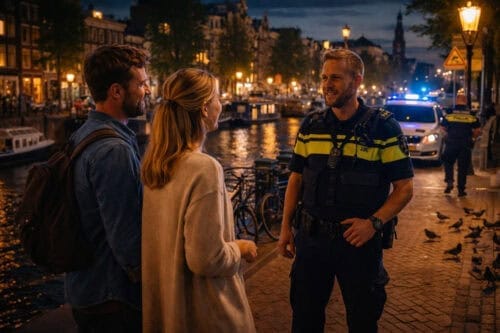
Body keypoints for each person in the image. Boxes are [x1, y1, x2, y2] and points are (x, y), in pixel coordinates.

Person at [278, 48, 414, 332]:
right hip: (311, 241)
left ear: (357, 81)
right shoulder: (311, 125)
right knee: (304, 319)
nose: (327, 84)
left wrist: (373, 224)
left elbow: (404, 188)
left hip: (358, 245)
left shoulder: (384, 128)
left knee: (363, 320)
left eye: (336, 78)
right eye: (325, 77)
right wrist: (285, 228)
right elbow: (296, 179)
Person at [141, 68, 258, 333]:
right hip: (207, 314)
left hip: (169, 312)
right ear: (205, 108)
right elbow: (207, 259)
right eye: (217, 96)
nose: (222, 103)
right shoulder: (203, 168)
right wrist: (240, 248)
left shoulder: (156, 167)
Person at [65, 44, 150, 332]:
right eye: (141, 83)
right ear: (116, 91)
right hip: (112, 298)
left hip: (84, 289)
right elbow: (126, 238)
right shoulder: (114, 149)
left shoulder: (84, 134)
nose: (147, 90)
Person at [441, 94, 481, 197]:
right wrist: (472, 138)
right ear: (466, 101)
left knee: (448, 162)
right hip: (465, 144)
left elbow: (443, 129)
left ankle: (449, 181)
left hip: (451, 143)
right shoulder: (471, 115)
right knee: (463, 167)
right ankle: (461, 190)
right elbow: (477, 130)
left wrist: (446, 137)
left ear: (456, 101)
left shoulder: (449, 113)